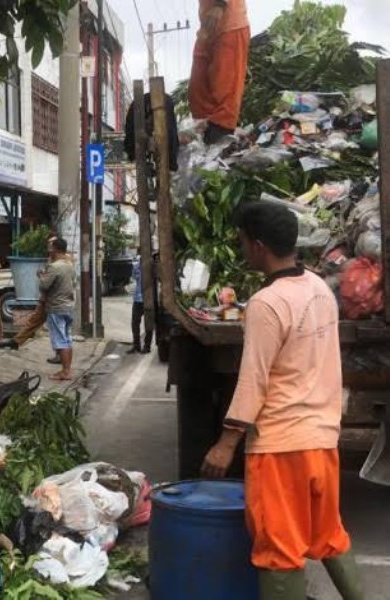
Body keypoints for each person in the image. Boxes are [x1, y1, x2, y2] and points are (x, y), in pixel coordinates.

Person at [201, 202, 363, 599]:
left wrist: (226, 443)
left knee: (279, 549)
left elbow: (253, 381)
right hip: (322, 440)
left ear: (258, 246)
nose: (241, 250)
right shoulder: (320, 289)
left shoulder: (266, 303)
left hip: (281, 447)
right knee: (329, 535)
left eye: (242, 242)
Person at [189, 0, 250, 144]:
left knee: (226, 92)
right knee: (197, 91)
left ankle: (218, 142)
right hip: (208, 26)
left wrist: (220, 5)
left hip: (229, 23)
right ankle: (204, 135)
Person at [0, 235, 62, 365]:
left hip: (55, 300)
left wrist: (43, 277)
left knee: (57, 329)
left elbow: (54, 281)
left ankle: (60, 354)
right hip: (45, 298)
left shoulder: (62, 261)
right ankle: (16, 341)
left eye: (51, 243)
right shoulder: (51, 259)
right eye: (48, 243)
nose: (49, 245)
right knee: (33, 321)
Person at [38, 238, 76, 381]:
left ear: (55, 249)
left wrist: (41, 276)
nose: (48, 249)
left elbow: (43, 286)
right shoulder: (69, 265)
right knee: (67, 339)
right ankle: (67, 370)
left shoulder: (55, 267)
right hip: (68, 307)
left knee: (60, 341)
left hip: (57, 307)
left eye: (50, 246)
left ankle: (66, 372)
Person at [128, 252, 153, 355]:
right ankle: (137, 345)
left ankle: (147, 346)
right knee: (135, 323)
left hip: (148, 298)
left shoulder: (152, 265)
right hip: (138, 298)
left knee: (148, 324)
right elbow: (134, 277)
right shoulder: (138, 265)